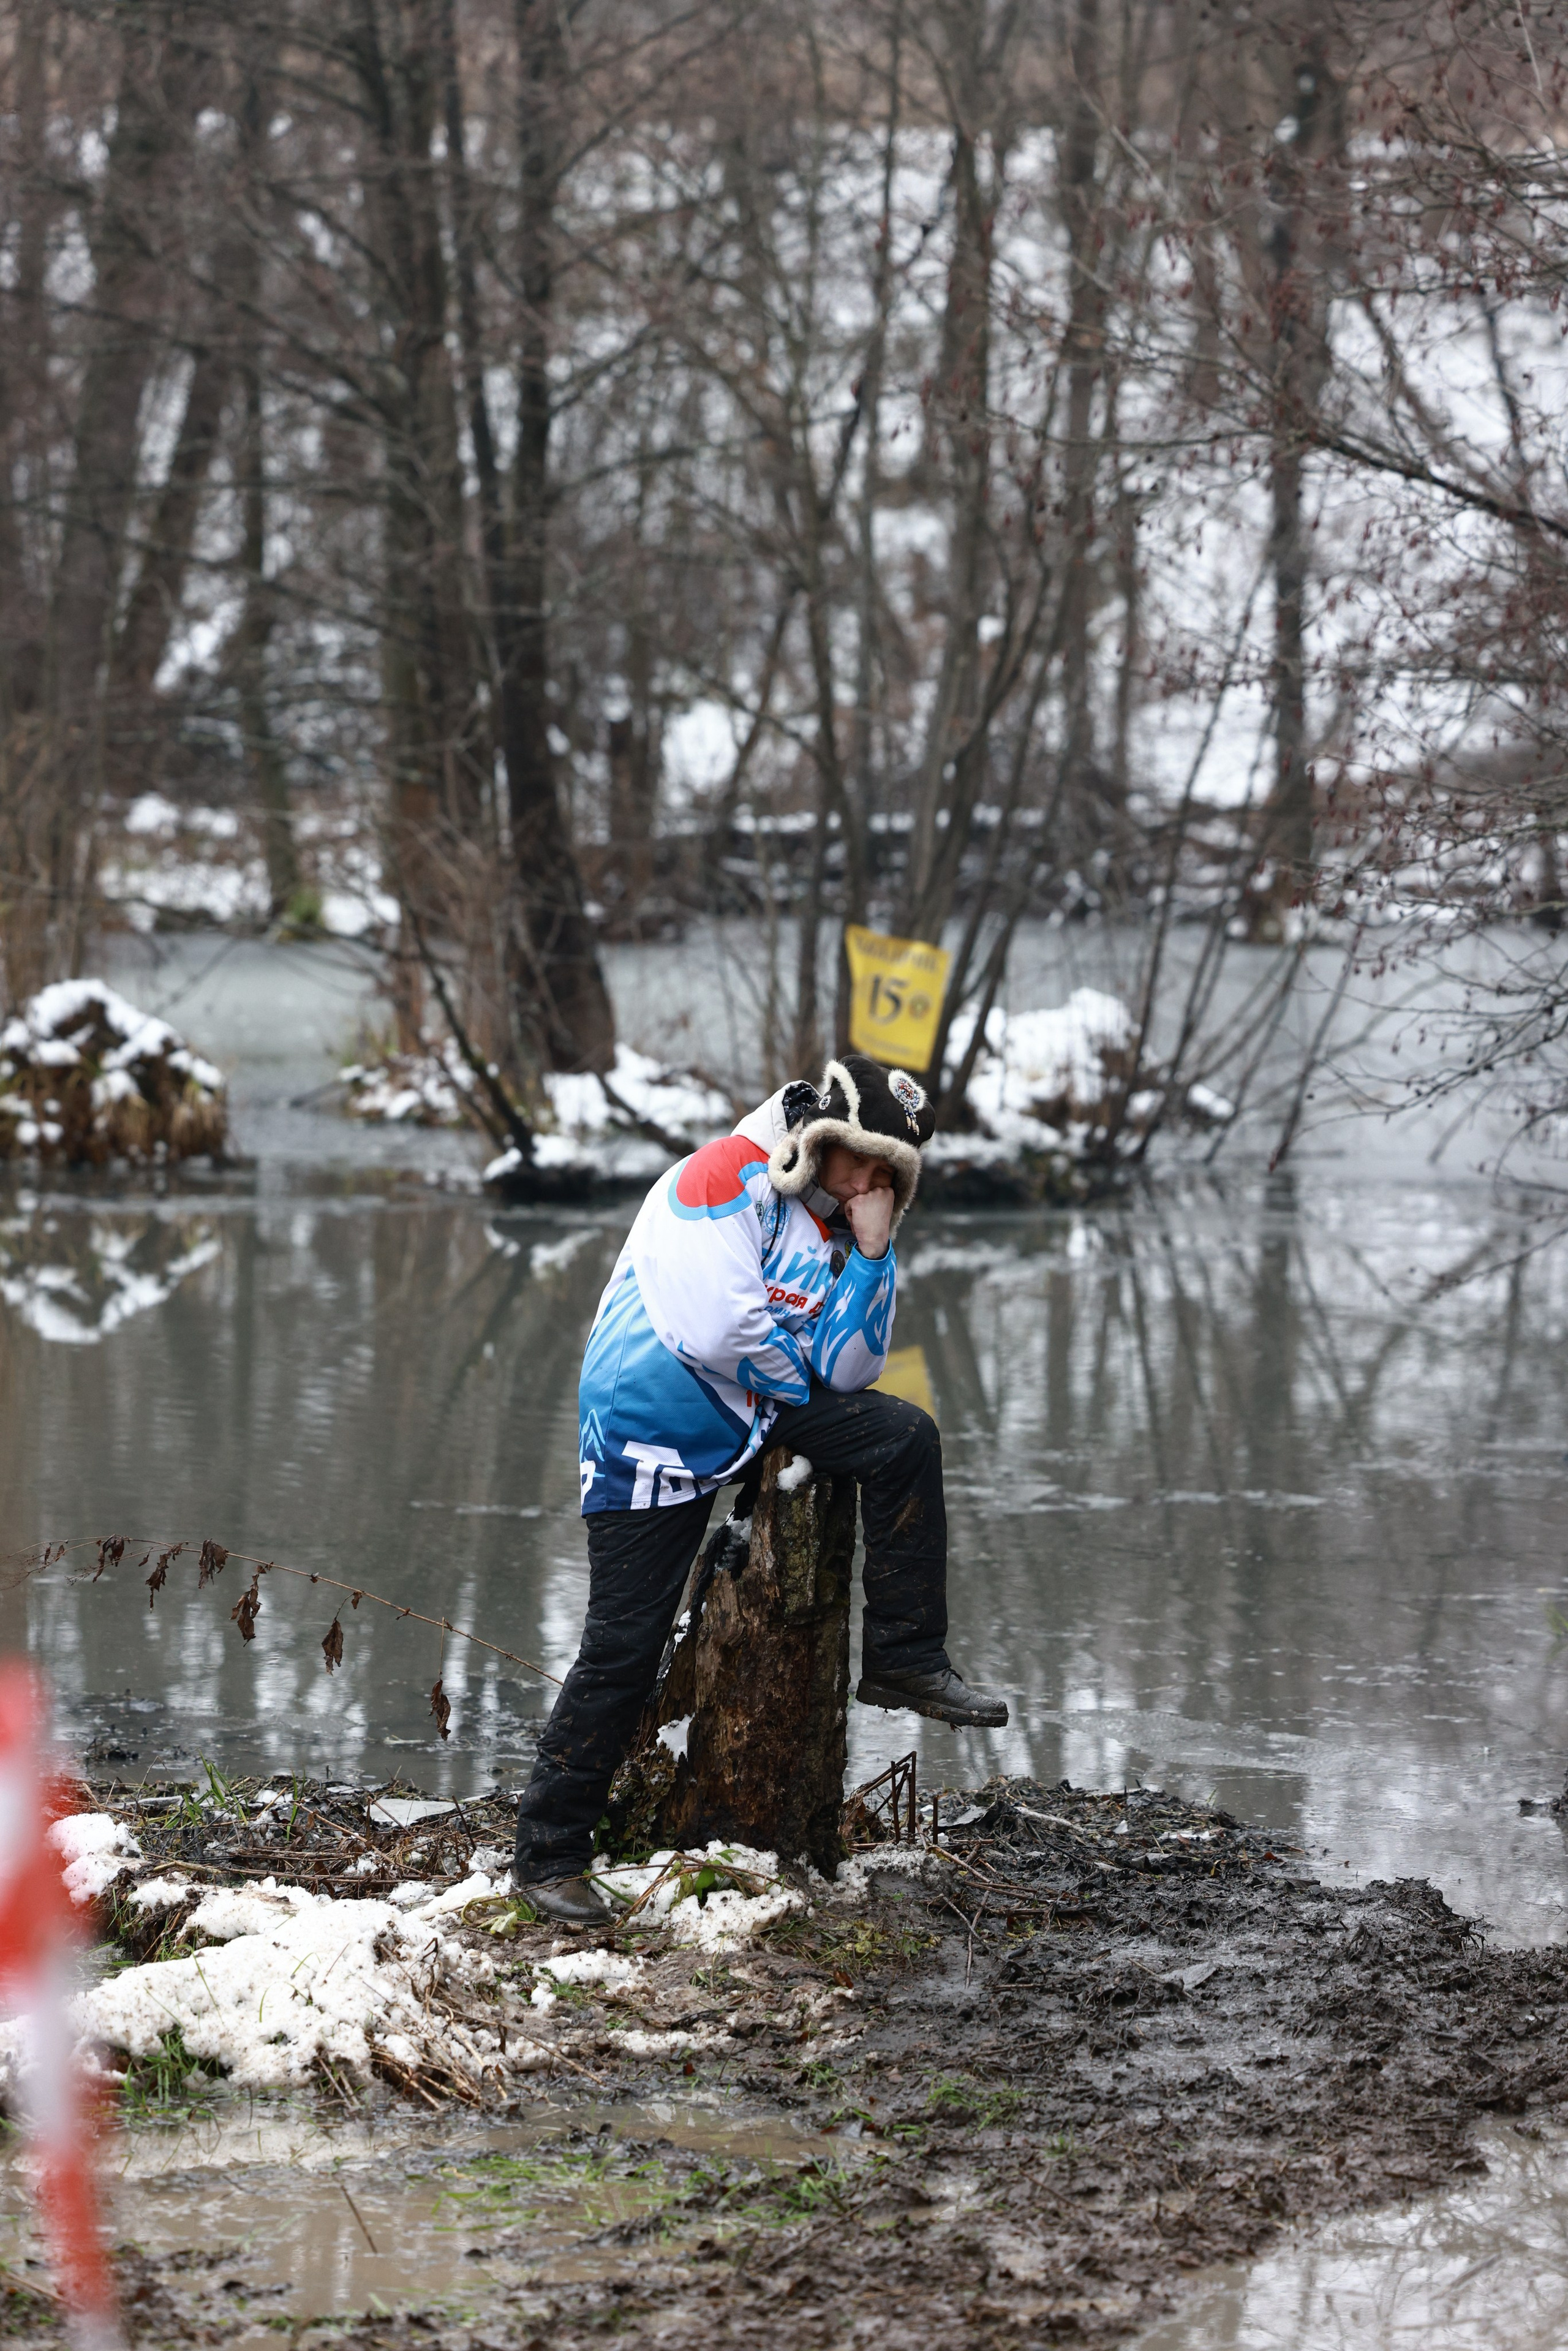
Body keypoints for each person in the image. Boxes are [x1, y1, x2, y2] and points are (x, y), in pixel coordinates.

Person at [512, 1052, 1008, 1923]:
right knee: (622, 1647)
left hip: (749, 1406)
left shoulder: (828, 1226)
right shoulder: (725, 1175)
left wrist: (872, 1248)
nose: (871, 1179)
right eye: (863, 1158)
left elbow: (850, 1368)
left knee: (903, 1439)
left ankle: (904, 1656)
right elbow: (716, 1329)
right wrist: (798, 1380)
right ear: (821, 1135)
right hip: (648, 1421)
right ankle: (548, 1854)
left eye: (891, 1174)